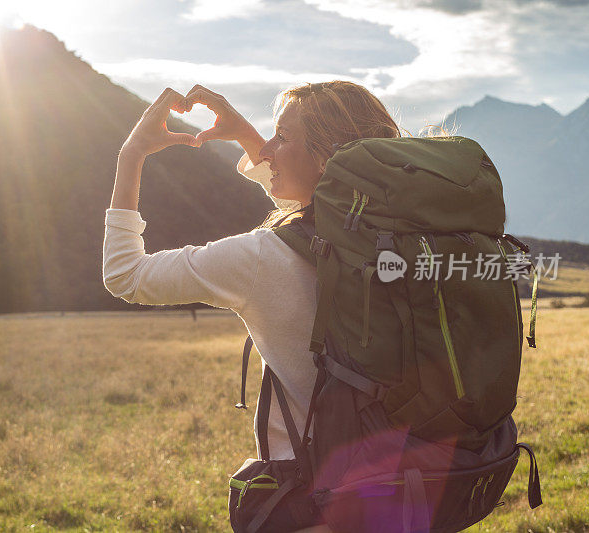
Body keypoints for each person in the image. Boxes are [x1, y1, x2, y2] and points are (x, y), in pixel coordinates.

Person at [102, 81, 400, 529]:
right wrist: (244, 131)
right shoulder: (401, 237)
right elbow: (311, 202)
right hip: (409, 483)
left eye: (282, 137)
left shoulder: (263, 258)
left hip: (321, 500)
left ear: (326, 157)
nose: (267, 151)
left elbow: (124, 274)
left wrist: (130, 156)